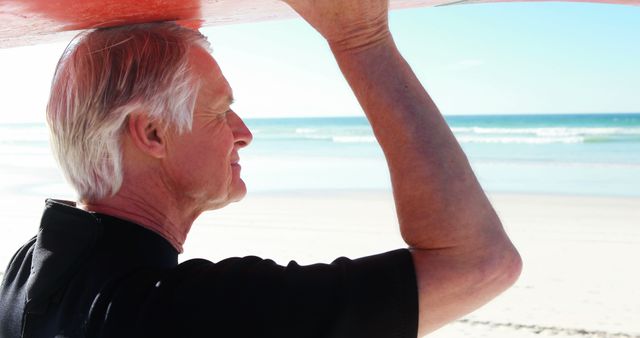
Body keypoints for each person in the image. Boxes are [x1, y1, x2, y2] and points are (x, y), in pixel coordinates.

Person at [0, 0, 522, 337]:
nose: (242, 131)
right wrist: (361, 39)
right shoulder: (180, 314)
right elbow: (480, 263)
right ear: (152, 134)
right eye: (218, 110)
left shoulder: (29, 272)